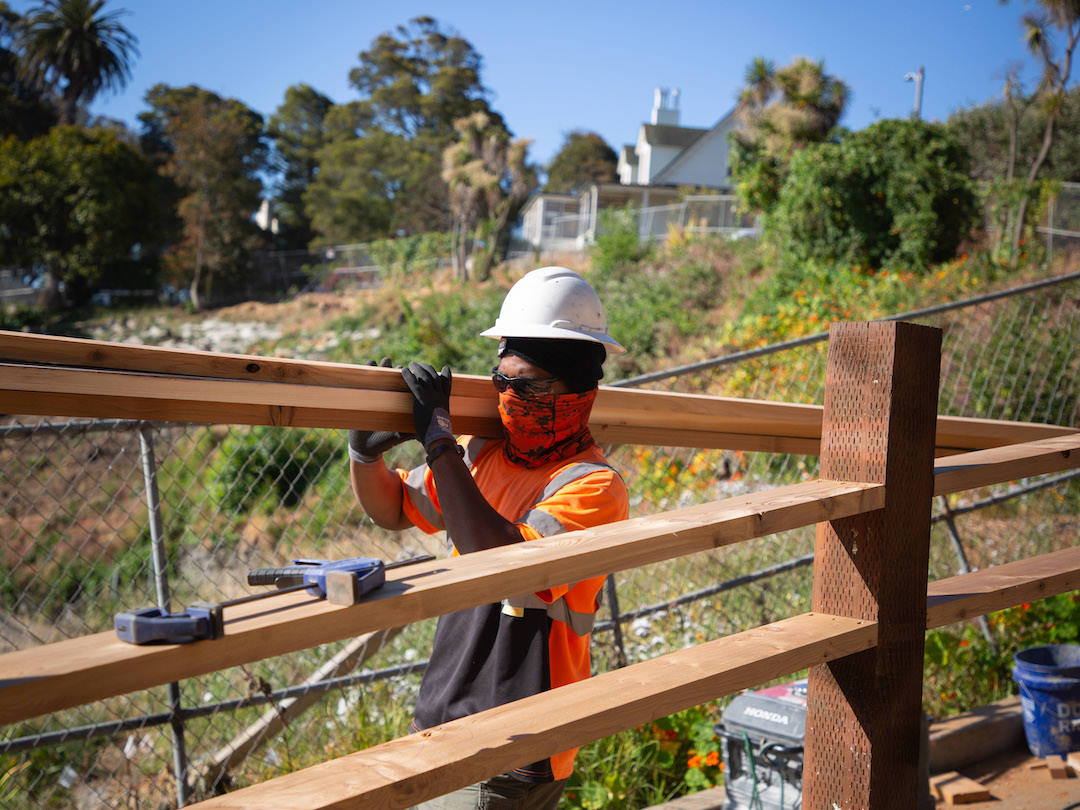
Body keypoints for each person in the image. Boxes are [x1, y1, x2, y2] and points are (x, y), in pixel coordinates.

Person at [348, 266, 629, 810]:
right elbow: (393, 509)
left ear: (578, 390)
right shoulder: (480, 455)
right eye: (501, 381)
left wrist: (438, 440)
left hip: (518, 738)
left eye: (526, 385)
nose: (508, 396)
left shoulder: (594, 487)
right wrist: (365, 455)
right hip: (442, 715)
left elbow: (501, 556)